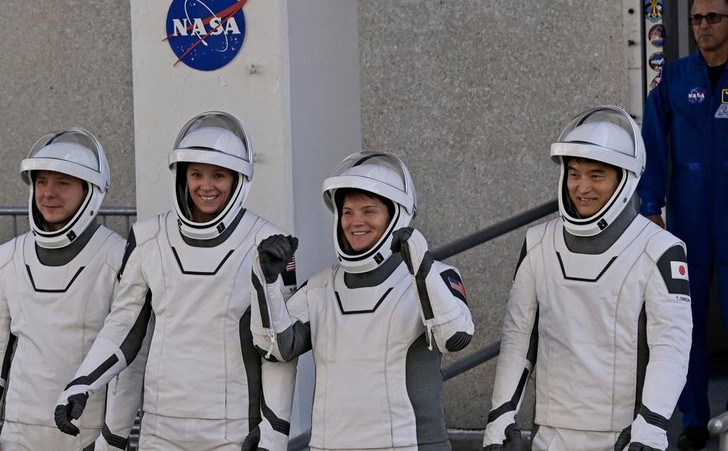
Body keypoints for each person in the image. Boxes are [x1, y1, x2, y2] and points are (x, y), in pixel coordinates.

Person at [54, 111, 298, 450]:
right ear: (182, 177)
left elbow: (279, 353)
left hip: (232, 432)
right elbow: (123, 327)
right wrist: (81, 385)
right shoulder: (148, 237)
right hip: (160, 429)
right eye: (196, 174)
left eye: (218, 175)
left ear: (238, 179)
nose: (206, 186)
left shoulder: (268, 243)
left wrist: (274, 434)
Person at [483, 106, 693, 450]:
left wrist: (653, 424)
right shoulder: (538, 243)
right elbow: (518, 337)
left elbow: (670, 347)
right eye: (574, 174)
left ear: (624, 180)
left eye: (597, 176)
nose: (582, 187)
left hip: (625, 436)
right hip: (550, 434)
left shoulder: (660, 249)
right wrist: (501, 415)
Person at [247, 151, 475, 450]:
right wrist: (266, 281)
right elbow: (276, 348)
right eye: (347, 212)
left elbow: (455, 338)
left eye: (369, 211)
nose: (355, 222)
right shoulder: (320, 286)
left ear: (396, 216)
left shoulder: (437, 276)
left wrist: (422, 267)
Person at [0, 129, 132, 450]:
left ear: (89, 190)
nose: (48, 193)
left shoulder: (119, 257)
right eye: (42, 181)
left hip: (84, 435)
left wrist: (112, 439)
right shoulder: (8, 257)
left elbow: (128, 359)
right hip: (18, 435)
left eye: (63, 182)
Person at [638, 0, 728, 448]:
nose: (703, 26)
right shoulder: (673, 80)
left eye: (713, 17)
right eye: (696, 18)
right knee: (685, 323)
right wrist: (650, 206)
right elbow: (652, 143)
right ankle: (694, 420)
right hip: (687, 221)